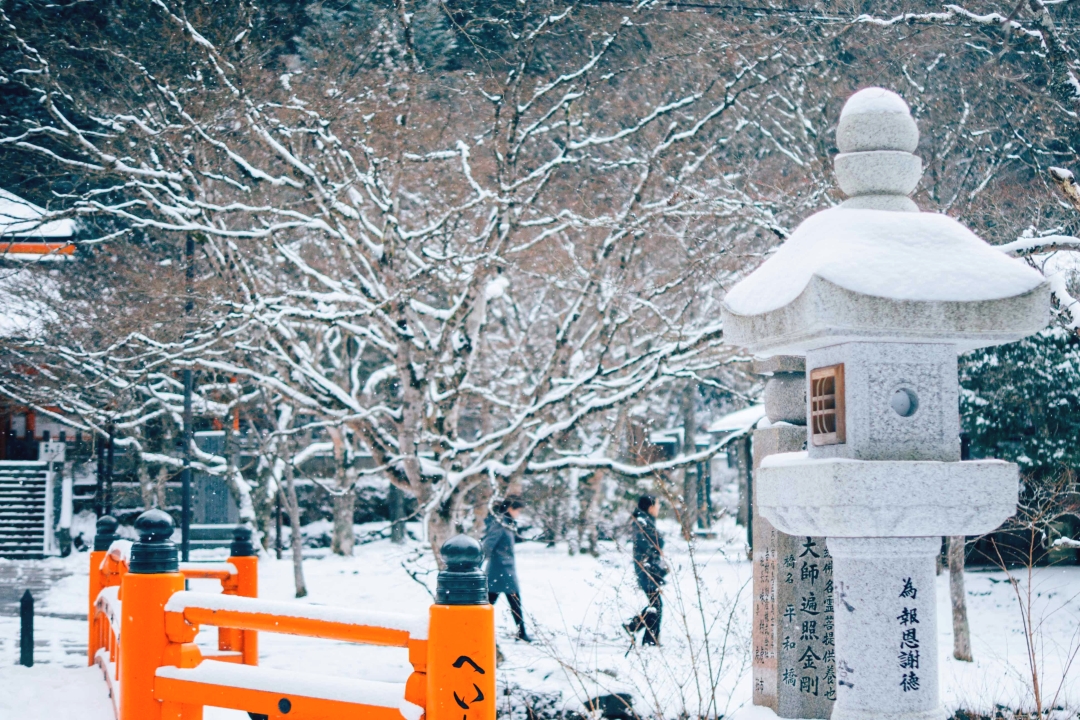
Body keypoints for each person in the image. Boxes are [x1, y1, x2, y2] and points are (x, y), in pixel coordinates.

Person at [482, 496, 531, 642]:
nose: (519, 514)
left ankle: (521, 633)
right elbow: (487, 546)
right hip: (500, 570)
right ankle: (521, 633)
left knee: (494, 602)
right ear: (510, 508)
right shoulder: (500, 524)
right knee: (507, 601)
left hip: (504, 569)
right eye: (518, 510)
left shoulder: (507, 523)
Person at [624, 494, 666, 646]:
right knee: (656, 605)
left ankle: (634, 627)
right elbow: (648, 544)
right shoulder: (642, 522)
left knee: (655, 605)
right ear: (650, 507)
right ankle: (649, 640)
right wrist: (654, 553)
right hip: (646, 569)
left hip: (649, 569)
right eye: (657, 504)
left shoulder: (645, 521)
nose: (659, 508)